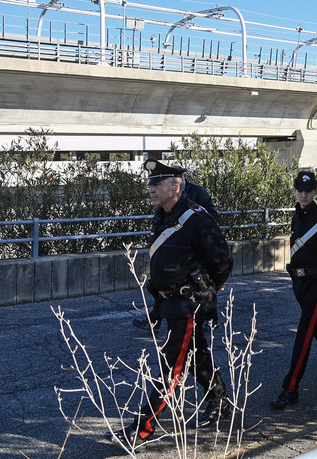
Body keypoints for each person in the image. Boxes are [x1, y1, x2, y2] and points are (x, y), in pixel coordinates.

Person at [114, 159, 234, 445]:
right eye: (151, 185)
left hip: (188, 303)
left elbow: (222, 260)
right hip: (170, 302)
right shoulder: (164, 216)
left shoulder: (196, 217)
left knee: (170, 367)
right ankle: (220, 402)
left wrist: (205, 290)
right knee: (197, 356)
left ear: (176, 186)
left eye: (157, 184)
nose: (151, 190)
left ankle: (144, 427)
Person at [269, 171, 317, 411]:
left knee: (304, 334)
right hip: (301, 284)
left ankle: (290, 389)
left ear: (315, 192)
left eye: (308, 191)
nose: (304, 195)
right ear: (295, 191)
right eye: (300, 191)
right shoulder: (297, 219)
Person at [132, 157, 219, 331]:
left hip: (195, 247)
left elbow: (211, 215)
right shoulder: (166, 197)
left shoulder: (197, 193)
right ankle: (155, 319)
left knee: (203, 283)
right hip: (173, 247)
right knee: (165, 286)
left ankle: (211, 319)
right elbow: (161, 218)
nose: (153, 190)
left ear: (178, 181)